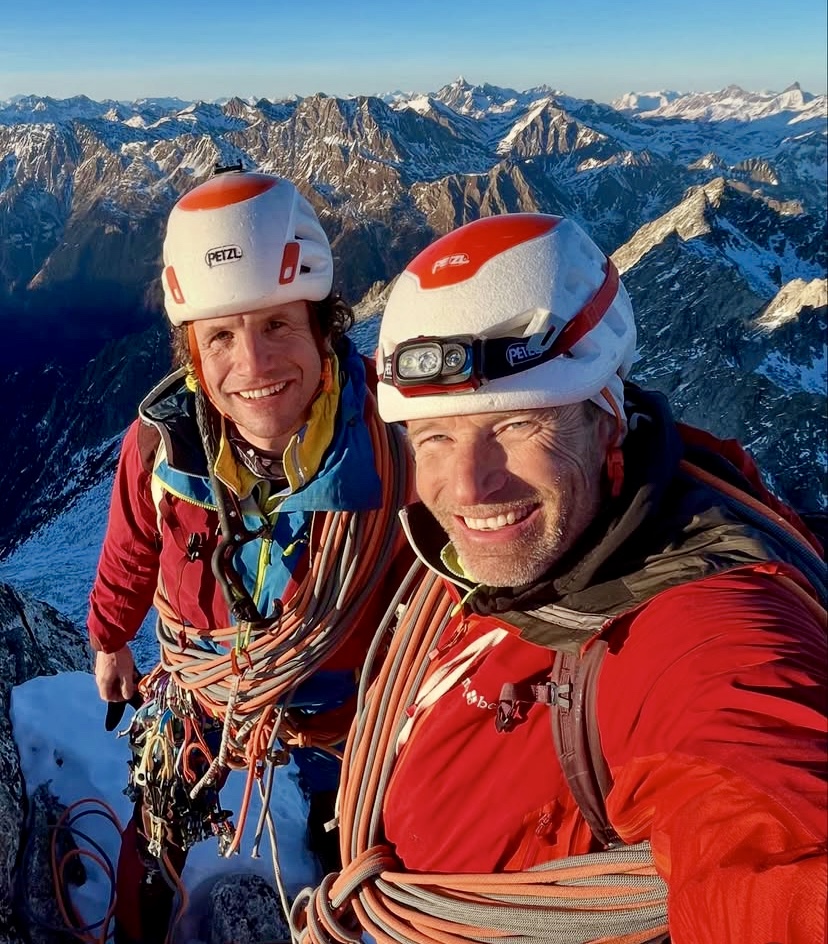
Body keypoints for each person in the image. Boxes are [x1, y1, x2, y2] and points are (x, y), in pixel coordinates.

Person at [295, 214, 827, 944]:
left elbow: (776, 845)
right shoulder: (518, 557)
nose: (469, 488)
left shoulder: (696, 632)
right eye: (436, 436)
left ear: (606, 419)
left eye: (515, 426)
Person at [86, 167, 412, 944]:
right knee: (163, 805)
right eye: (222, 336)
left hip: (348, 702)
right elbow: (132, 548)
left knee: (359, 827)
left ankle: (344, 879)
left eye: (276, 326)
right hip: (205, 685)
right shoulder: (162, 445)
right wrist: (107, 637)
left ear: (323, 325)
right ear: (192, 352)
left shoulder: (401, 445)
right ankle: (144, 917)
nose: (255, 366)